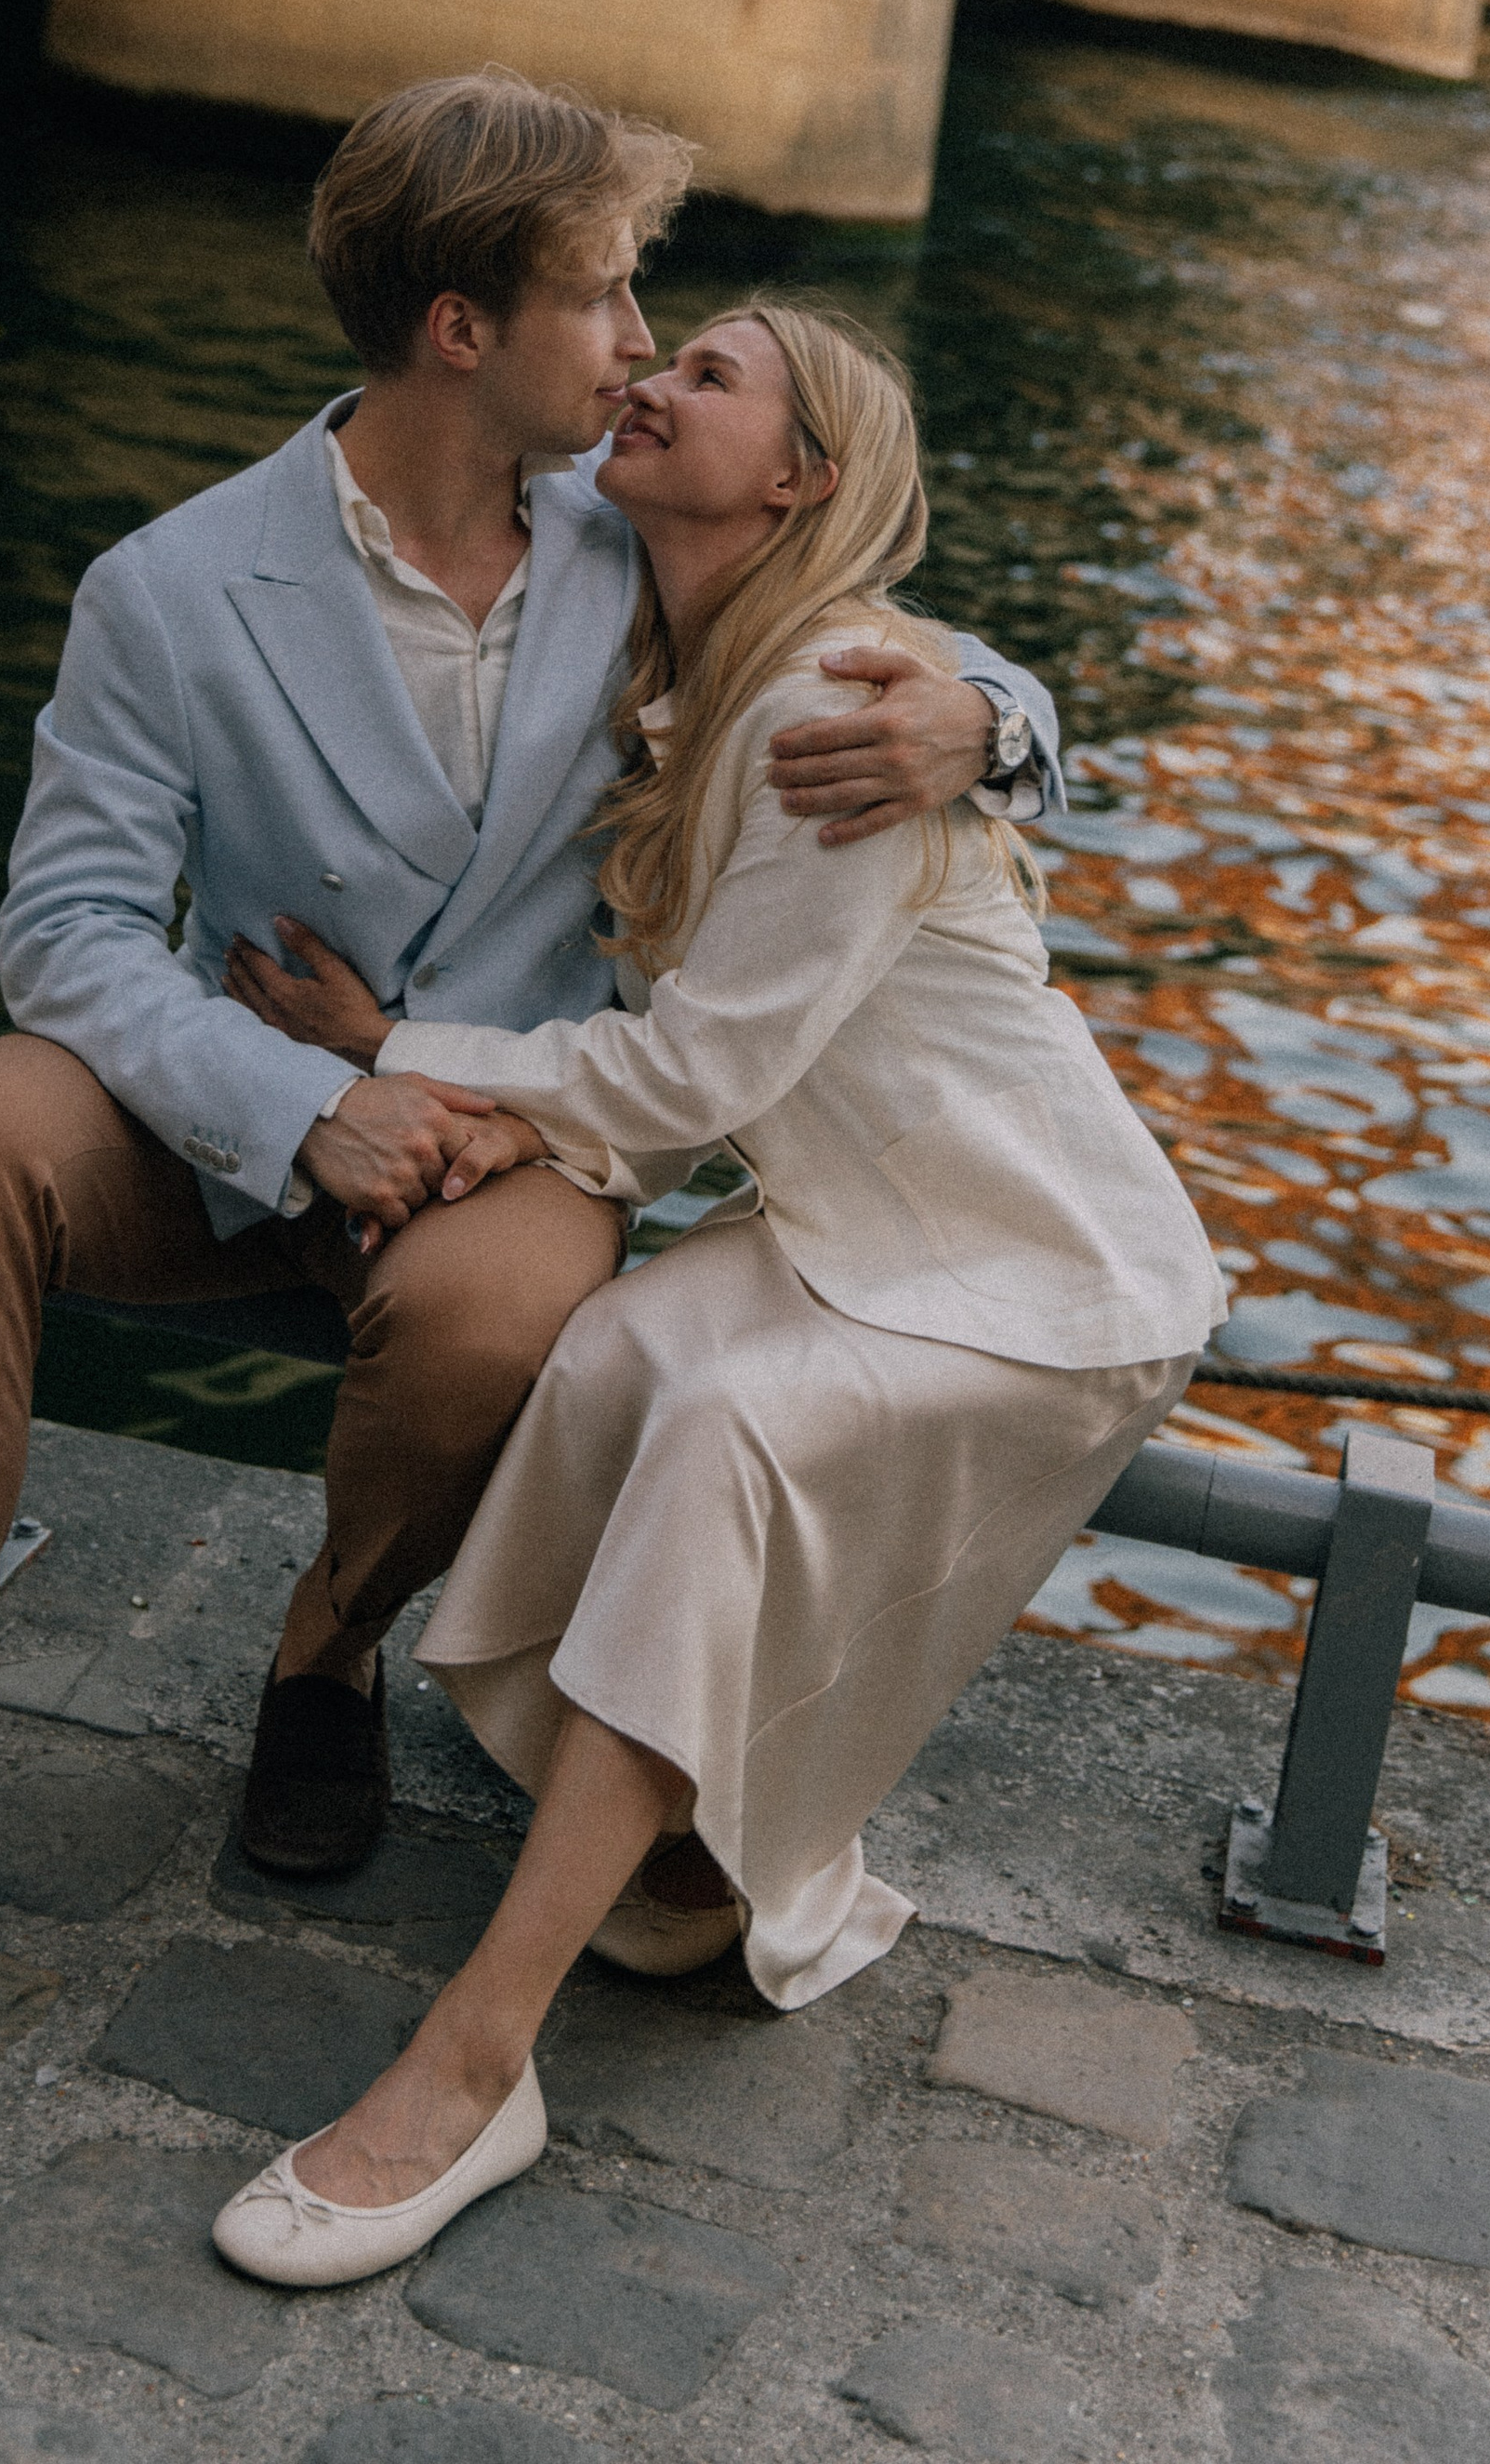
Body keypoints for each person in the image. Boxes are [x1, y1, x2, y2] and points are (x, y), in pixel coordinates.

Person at [0, 74, 1059, 2014]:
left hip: (504, 1144)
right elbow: (65, 934)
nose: (638, 345)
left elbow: (894, 616)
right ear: (462, 330)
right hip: (229, 1107)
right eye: (600, 297)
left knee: (503, 1319)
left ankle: (323, 1648)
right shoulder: (169, 589)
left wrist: (986, 727)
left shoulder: (650, 525)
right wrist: (306, 1103)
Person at [206, 300, 1225, 2288]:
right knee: (614, 1354)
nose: (648, 377)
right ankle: (677, 1844)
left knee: (727, 1436)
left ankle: (476, 2054)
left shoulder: (831, 698)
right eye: (653, 354)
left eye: (711, 374)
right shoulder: (682, 643)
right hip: (858, 1218)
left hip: (1034, 1265)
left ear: (797, 481)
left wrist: (406, 1051)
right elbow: (698, 1070)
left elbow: (684, 1078)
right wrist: (526, 1123)